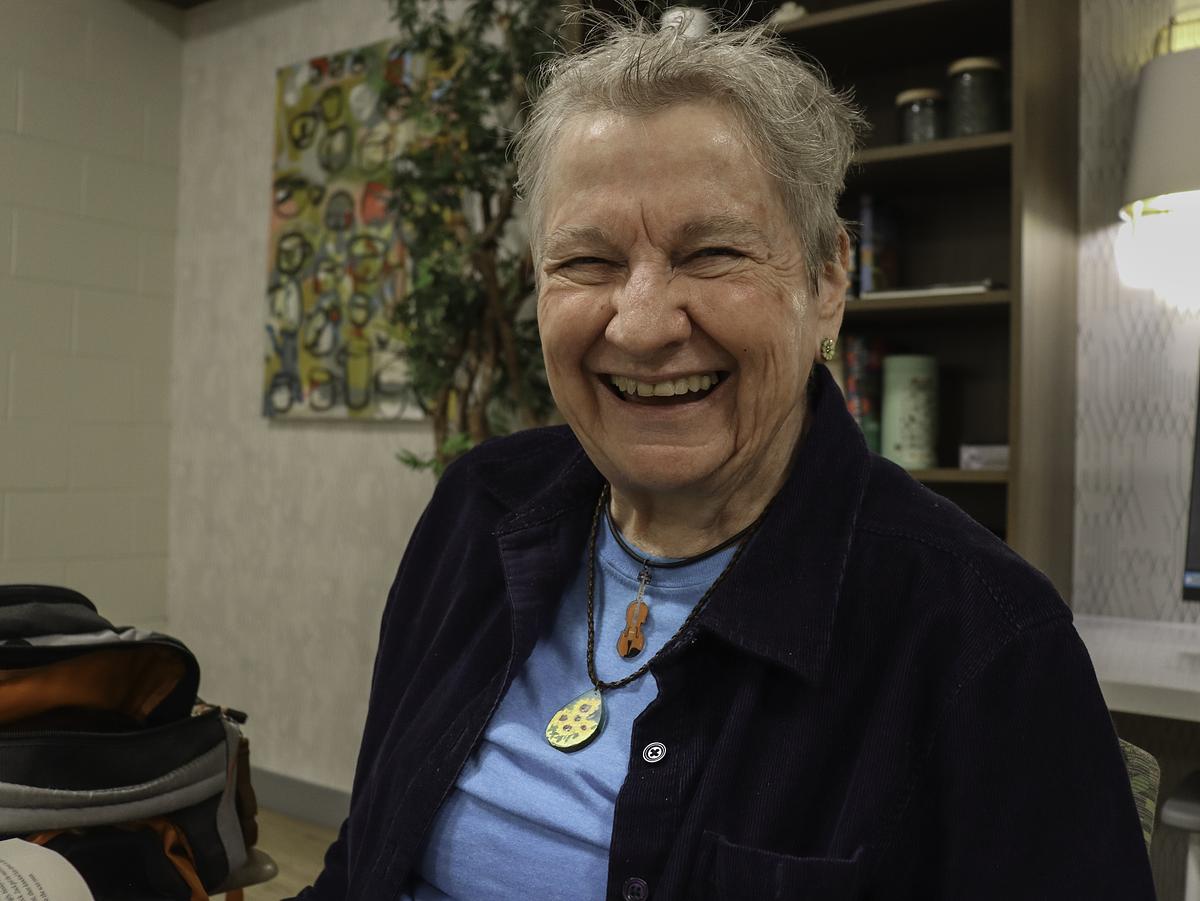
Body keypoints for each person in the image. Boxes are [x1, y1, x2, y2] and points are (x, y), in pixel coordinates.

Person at [294, 17, 1155, 901]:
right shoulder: (477, 509)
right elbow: (364, 855)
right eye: (587, 260)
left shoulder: (984, 639)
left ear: (827, 282)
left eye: (711, 253)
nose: (640, 322)